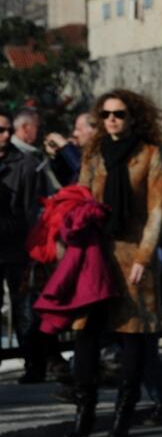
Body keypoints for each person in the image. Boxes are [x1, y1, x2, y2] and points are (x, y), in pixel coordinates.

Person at [70, 89, 162, 437]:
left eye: (120, 113)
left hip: (133, 255)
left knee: (133, 335)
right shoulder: (93, 155)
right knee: (85, 332)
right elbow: (80, 198)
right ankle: (84, 410)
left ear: (133, 117)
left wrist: (144, 257)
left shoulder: (151, 156)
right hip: (97, 252)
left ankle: (124, 411)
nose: (112, 119)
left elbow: (157, 211)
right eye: (107, 114)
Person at [0, 110, 43, 380]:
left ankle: (34, 365)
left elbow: (32, 210)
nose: (5, 135)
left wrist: (32, 250)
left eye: (6, 129)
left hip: (18, 248)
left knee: (25, 309)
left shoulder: (25, 164)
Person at [12, 107, 59, 194]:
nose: (43, 131)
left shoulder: (36, 154)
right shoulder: (11, 157)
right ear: (26, 128)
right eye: (39, 127)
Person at [45, 112, 96, 186]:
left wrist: (65, 147)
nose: (75, 133)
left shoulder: (102, 151)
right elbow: (68, 181)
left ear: (93, 130)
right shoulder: (80, 151)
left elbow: (84, 173)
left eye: (79, 129)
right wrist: (56, 156)